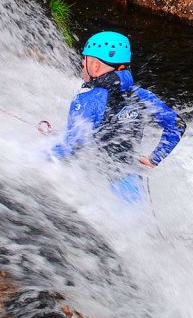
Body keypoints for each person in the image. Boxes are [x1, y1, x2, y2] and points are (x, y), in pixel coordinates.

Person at [51, 31, 185, 204]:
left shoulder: (87, 100)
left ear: (95, 66)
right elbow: (177, 125)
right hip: (129, 182)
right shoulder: (142, 95)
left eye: (85, 59)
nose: (82, 63)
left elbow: (71, 147)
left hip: (94, 186)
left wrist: (40, 157)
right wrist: (154, 158)